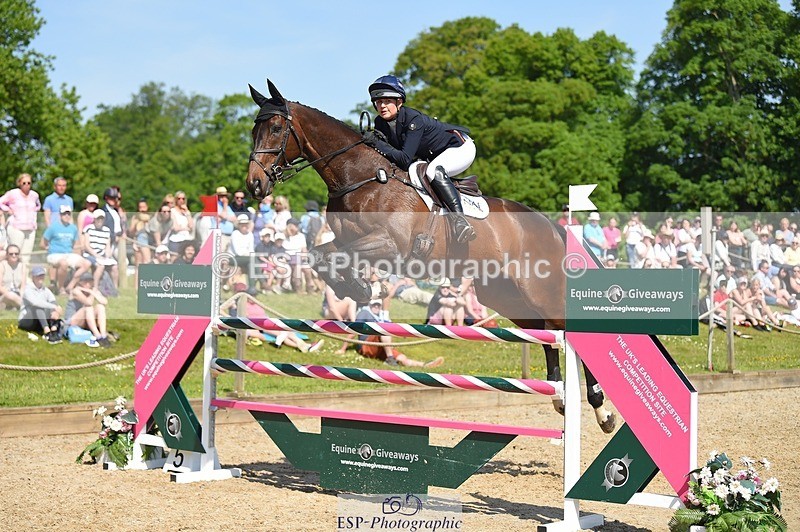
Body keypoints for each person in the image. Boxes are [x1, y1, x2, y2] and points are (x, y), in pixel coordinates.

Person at [363, 75, 476, 243]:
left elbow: (405, 159)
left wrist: (377, 143)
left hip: (459, 147)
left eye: (387, 101)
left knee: (433, 171)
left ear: (399, 102)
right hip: (434, 154)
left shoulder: (413, 119)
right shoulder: (380, 122)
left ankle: (460, 221)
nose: (382, 106)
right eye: (378, 102)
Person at [354, 299, 443, 367]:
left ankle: (424, 365)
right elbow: (353, 329)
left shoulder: (380, 316)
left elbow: (393, 327)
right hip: (366, 345)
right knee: (384, 330)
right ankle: (390, 359)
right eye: (374, 305)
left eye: (378, 305)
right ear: (370, 305)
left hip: (379, 347)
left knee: (402, 358)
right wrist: (343, 348)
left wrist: (402, 333)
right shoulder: (364, 313)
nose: (376, 307)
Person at [41, 205, 91, 295]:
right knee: (63, 263)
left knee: (87, 263)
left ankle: (70, 286)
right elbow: (43, 243)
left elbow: (75, 244)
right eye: (64, 214)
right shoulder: (53, 227)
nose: (66, 216)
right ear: (60, 215)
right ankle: (60, 288)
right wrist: (48, 248)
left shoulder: (73, 228)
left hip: (68, 254)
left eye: (68, 214)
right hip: (54, 254)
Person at [0, 173, 41, 265]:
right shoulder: (13, 193)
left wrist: (34, 212)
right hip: (16, 227)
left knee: (26, 256)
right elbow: (1, 202)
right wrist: (8, 209)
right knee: (15, 254)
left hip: (30, 228)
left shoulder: (34, 195)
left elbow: (38, 205)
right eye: (24, 183)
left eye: (29, 183)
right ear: (19, 183)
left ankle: (24, 276)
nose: (26, 185)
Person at [18, 265, 63, 343]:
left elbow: (53, 300)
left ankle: (54, 330)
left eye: (42, 275)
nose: (40, 277)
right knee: (38, 306)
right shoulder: (28, 289)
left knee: (53, 308)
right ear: (33, 277)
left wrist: (56, 309)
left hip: (39, 320)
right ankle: (47, 332)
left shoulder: (45, 290)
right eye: (38, 275)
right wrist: (54, 307)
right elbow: (35, 302)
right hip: (26, 321)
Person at [65, 272, 110, 347]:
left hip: (86, 320)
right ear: (80, 282)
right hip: (72, 322)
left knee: (100, 307)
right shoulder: (76, 291)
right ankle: (97, 336)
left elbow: (104, 302)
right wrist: (92, 293)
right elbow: (88, 302)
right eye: (85, 281)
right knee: (88, 308)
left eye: (90, 281)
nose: (88, 283)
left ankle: (103, 335)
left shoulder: (91, 290)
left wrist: (92, 292)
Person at [82, 210, 117, 290]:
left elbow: (107, 245)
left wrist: (108, 255)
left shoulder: (106, 230)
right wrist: (96, 255)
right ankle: (95, 287)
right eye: (98, 219)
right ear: (94, 219)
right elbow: (87, 246)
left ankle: (114, 288)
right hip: (90, 254)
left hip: (102, 255)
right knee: (100, 266)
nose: (100, 221)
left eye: (102, 219)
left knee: (114, 266)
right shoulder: (88, 229)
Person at [322, 285, 358, 354]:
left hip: (342, 312)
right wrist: (341, 322)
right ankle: (353, 324)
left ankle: (353, 324)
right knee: (351, 301)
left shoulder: (346, 283)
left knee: (352, 301)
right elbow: (332, 308)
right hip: (330, 312)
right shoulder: (330, 285)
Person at [0, 244, 25, 310]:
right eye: (11, 254)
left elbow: (23, 287)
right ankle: (27, 307)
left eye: (16, 253)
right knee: (10, 295)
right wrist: (9, 294)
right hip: (4, 295)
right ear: (7, 255)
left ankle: (15, 306)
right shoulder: (2, 265)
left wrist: (21, 296)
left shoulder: (22, 266)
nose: (14, 255)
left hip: (17, 294)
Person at [128, 199, 152, 267]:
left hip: (148, 240)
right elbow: (131, 232)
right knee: (140, 263)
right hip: (139, 239)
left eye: (144, 207)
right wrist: (135, 224)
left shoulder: (150, 217)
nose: (142, 209)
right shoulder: (135, 217)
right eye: (140, 207)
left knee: (145, 262)